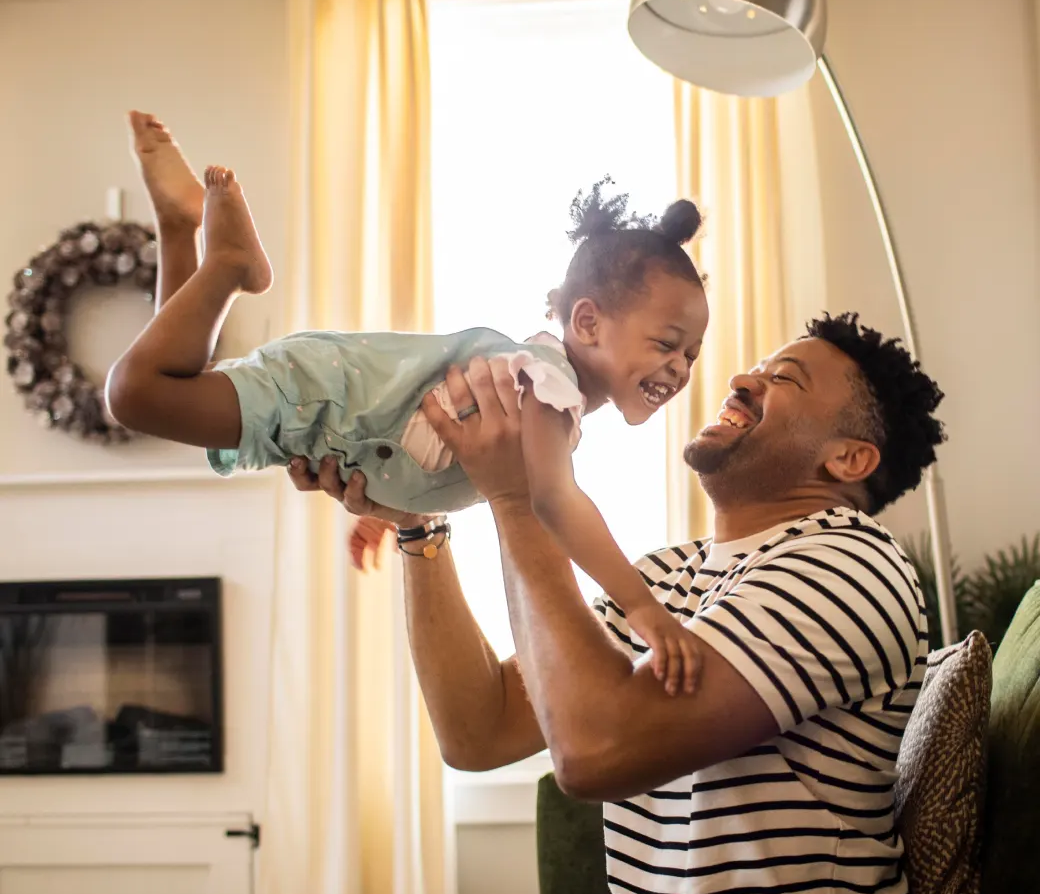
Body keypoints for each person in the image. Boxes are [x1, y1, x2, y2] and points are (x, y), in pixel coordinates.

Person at [290, 309, 945, 894]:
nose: (742, 379)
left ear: (848, 458)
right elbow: (477, 732)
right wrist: (420, 525)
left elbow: (593, 754)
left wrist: (519, 495)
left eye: (784, 379)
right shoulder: (667, 576)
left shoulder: (846, 565)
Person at [106, 111, 711, 691]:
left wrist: (388, 506)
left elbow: (420, 426)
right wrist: (644, 610)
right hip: (319, 399)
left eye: (692, 353)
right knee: (136, 394)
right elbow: (555, 502)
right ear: (588, 321)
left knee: (178, 380)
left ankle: (177, 225)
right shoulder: (547, 389)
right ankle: (229, 262)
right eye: (666, 343)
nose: (679, 367)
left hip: (324, 411)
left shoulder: (540, 379)